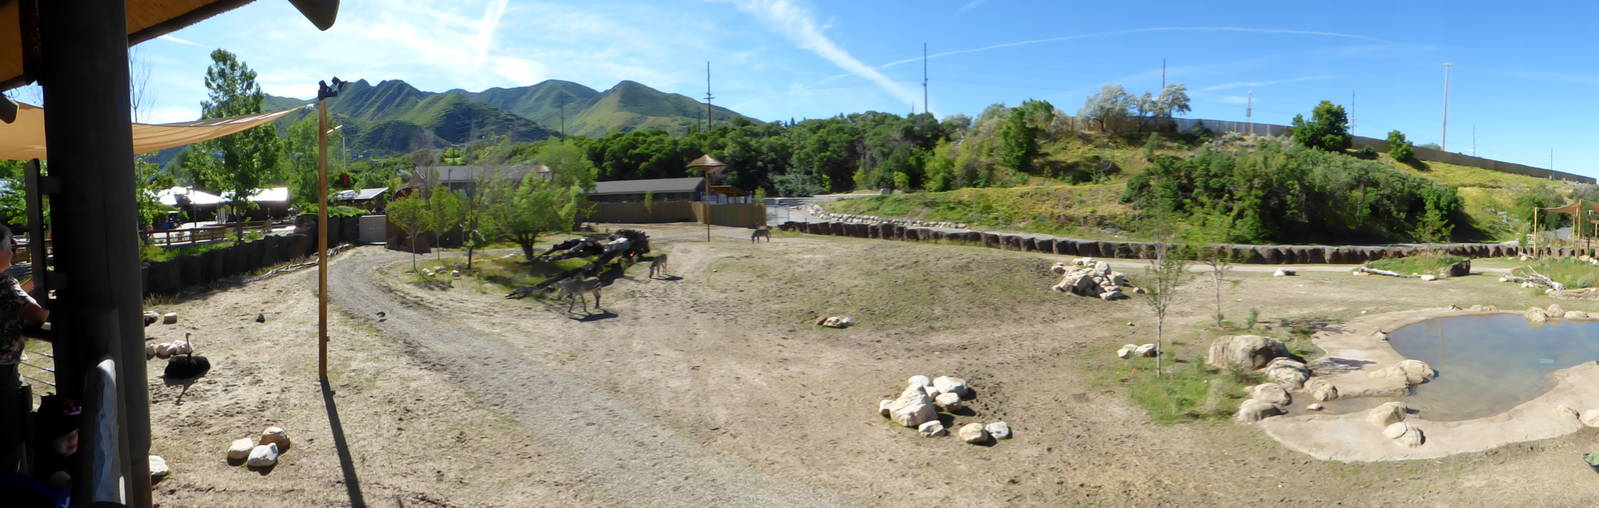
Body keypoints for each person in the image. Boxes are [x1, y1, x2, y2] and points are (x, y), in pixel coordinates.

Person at [0, 224, 48, 473]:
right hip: (2, 373)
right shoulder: (5, 284)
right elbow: (36, 314)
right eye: (11, 244)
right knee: (8, 438)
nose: (15, 248)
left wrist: (29, 285)